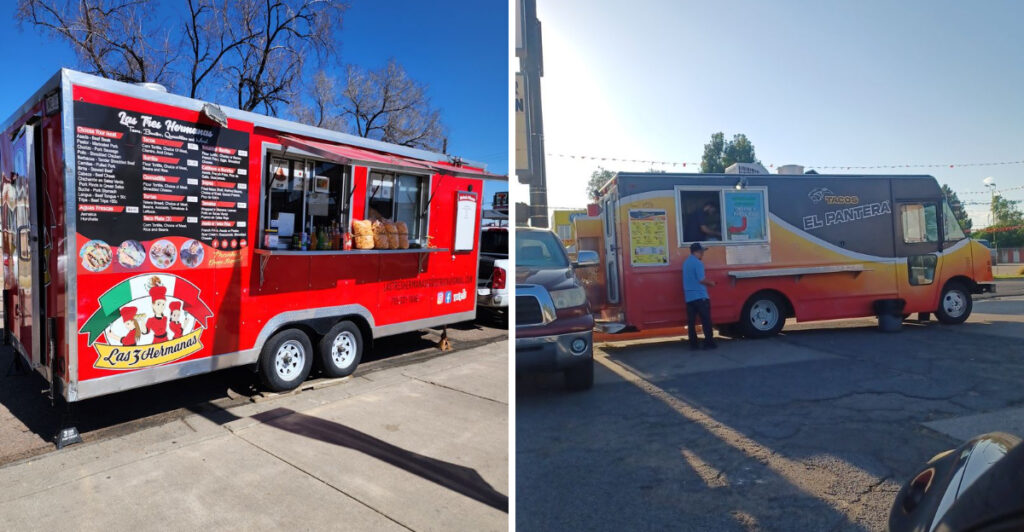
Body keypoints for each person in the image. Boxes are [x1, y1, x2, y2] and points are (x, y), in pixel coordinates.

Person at [683, 242, 717, 350]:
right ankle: (709, 343)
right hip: (700, 296)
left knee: (691, 322)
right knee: (706, 320)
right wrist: (712, 283)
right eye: (702, 252)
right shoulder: (698, 263)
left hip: (689, 297)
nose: (703, 254)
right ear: (697, 252)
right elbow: (701, 279)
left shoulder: (686, 263)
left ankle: (693, 344)